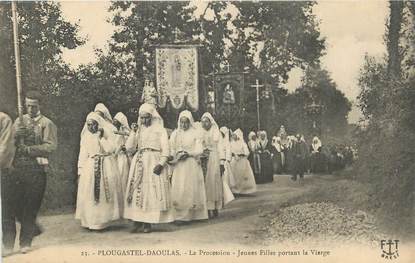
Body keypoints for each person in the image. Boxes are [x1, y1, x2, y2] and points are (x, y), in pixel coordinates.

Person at [7, 91, 57, 253]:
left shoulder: (47, 123)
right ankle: (8, 243)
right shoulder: (18, 121)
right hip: (17, 168)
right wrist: (15, 135)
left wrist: (29, 149)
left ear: (40, 105)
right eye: (28, 105)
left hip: (36, 168)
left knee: (30, 206)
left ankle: (25, 243)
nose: (30, 109)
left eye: (34, 106)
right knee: (12, 205)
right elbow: (8, 143)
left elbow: (51, 146)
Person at [124, 103, 174, 233]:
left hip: (153, 160)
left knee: (151, 191)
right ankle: (137, 220)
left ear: (152, 117)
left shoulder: (160, 130)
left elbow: (166, 149)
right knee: (137, 190)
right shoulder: (139, 130)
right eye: (141, 118)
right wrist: (133, 132)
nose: (144, 120)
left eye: (146, 117)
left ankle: (148, 222)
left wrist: (161, 163)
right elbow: (129, 148)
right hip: (139, 161)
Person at [76, 112, 121, 231]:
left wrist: (101, 137)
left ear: (99, 124)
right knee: (89, 193)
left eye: (93, 124)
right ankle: (89, 220)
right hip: (90, 167)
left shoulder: (106, 134)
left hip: (105, 165)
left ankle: (101, 221)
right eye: (89, 125)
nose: (91, 127)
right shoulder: (86, 137)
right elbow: (83, 154)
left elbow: (111, 149)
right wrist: (80, 170)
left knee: (102, 193)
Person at [169, 110, 208, 222]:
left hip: (191, 164)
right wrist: (173, 156)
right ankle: (179, 215)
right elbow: (172, 148)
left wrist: (189, 154)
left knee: (189, 188)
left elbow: (199, 149)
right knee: (179, 187)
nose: (183, 125)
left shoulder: (195, 133)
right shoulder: (176, 133)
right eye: (181, 122)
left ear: (190, 122)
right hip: (179, 164)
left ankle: (190, 215)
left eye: (186, 122)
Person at [199, 112, 224, 219]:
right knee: (204, 183)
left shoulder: (215, 132)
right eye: (203, 122)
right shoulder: (199, 132)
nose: (205, 124)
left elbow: (221, 147)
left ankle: (215, 207)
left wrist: (222, 162)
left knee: (213, 183)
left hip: (213, 158)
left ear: (211, 122)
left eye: (207, 121)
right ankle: (206, 209)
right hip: (202, 158)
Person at [1, 112, 16, 257]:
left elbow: (5, 148)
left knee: (6, 208)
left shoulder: (4, 119)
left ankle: (8, 244)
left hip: (3, 169)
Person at [230, 129, 257, 194]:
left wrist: (242, 155)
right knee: (234, 175)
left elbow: (247, 152)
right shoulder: (231, 143)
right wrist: (233, 154)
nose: (233, 136)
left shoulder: (242, 143)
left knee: (242, 175)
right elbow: (230, 150)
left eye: (235, 135)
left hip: (242, 160)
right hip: (234, 160)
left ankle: (243, 190)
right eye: (233, 135)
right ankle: (235, 190)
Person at [113, 112, 131, 204]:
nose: (114, 122)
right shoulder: (111, 131)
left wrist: (123, 148)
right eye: (114, 120)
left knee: (122, 177)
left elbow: (129, 143)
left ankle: (123, 202)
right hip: (113, 158)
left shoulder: (126, 132)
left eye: (116, 121)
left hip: (122, 158)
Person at [219, 126, 236, 192]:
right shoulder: (219, 141)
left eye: (223, 133)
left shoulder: (227, 142)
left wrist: (228, 159)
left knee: (226, 175)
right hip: (220, 159)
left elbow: (229, 150)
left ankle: (227, 189)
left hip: (225, 160)